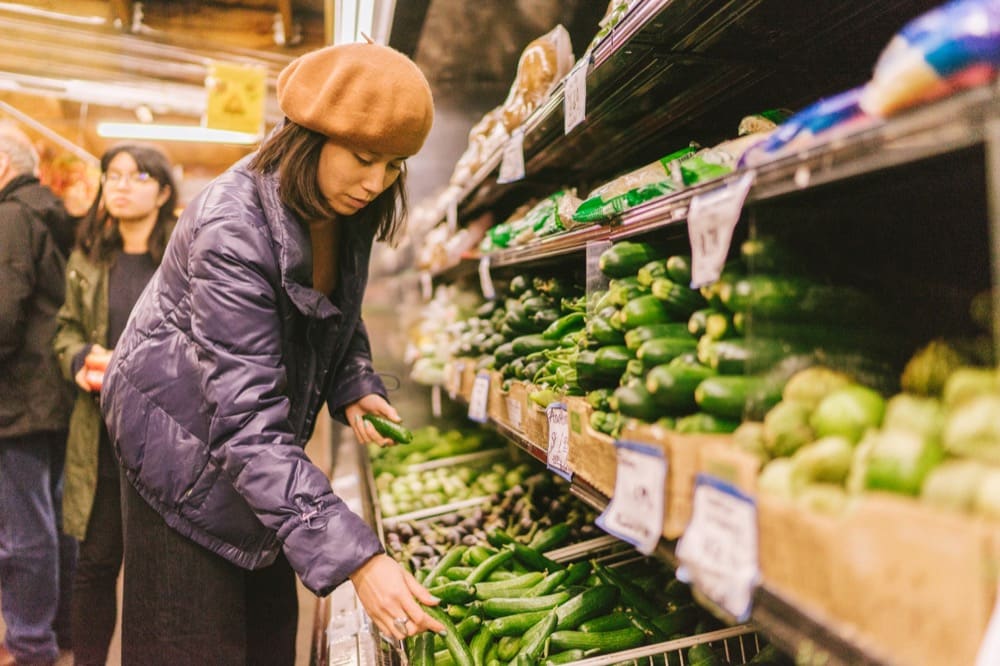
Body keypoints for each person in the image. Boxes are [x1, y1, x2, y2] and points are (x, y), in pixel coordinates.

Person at [99, 41, 445, 664]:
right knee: (194, 641)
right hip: (178, 447)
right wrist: (360, 559)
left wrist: (351, 381)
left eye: (395, 165)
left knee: (266, 632)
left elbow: (330, 309)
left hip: (248, 446)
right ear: (307, 136)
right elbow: (246, 426)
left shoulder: (345, 208)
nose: (377, 182)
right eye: (365, 158)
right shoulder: (232, 225)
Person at [52, 144, 178, 666]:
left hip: (167, 441)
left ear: (164, 191)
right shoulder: (88, 258)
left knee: (160, 576)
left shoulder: (181, 257)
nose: (122, 185)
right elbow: (66, 329)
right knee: (96, 565)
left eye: (138, 176)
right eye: (113, 176)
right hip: (102, 437)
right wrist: (81, 356)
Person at [0, 124, 77, 665]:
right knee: (49, 516)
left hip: (16, 397)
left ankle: (30, 642)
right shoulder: (48, 211)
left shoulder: (9, 217)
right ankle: (56, 627)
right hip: (49, 390)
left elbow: (2, 311)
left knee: (23, 530)